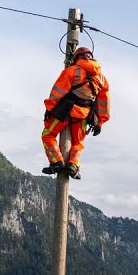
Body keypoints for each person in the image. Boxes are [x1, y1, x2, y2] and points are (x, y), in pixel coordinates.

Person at [40, 46, 111, 180]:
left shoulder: (71, 70)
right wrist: (100, 121)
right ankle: (73, 165)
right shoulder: (102, 79)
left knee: (47, 135)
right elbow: (104, 103)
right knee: (78, 142)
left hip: (65, 111)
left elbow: (57, 92)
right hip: (84, 114)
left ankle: (56, 162)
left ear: (76, 58)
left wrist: (49, 109)